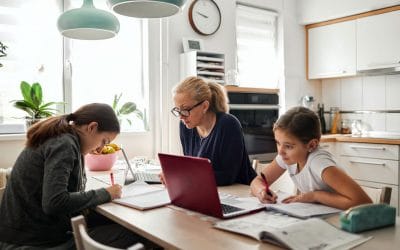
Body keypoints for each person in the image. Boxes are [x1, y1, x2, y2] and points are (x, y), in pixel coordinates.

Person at [0, 103, 141, 249]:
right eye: (104, 141)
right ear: (92, 127)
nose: (101, 149)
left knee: (115, 224)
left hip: (27, 236)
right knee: (136, 236)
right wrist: (105, 193)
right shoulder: (64, 145)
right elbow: (54, 202)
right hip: (29, 244)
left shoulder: (64, 138)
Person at [250, 106, 372, 210]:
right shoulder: (287, 157)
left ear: (311, 145)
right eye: (278, 143)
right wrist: (261, 192)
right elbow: (257, 181)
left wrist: (315, 196)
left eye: (288, 146)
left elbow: (364, 203)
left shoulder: (319, 163)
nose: (280, 152)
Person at [165, 76, 256, 186]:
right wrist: (175, 174)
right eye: (178, 110)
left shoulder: (228, 124)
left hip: (241, 193)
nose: (181, 117)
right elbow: (193, 168)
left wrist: (184, 176)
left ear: (204, 106)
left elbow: (228, 176)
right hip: (208, 190)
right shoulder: (186, 126)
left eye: (185, 110)